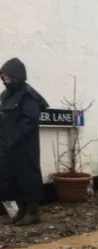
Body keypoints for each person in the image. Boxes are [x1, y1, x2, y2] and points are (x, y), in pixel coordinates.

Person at [0, 58, 48, 225]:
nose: (6, 81)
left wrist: (13, 137)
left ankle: (33, 212)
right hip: (9, 145)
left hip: (25, 146)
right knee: (12, 177)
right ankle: (21, 210)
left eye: (8, 77)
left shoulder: (29, 95)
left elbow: (29, 121)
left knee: (27, 176)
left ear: (17, 76)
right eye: (3, 77)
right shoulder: (5, 96)